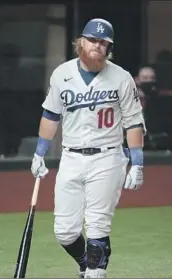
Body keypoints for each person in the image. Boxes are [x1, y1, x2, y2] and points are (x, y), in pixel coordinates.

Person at [30, 18, 146, 278]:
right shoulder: (62, 74)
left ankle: (96, 270)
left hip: (107, 157)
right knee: (65, 231)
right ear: (80, 42)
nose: (98, 45)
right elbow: (51, 116)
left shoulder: (121, 78)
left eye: (104, 42)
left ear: (109, 48)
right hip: (70, 157)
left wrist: (137, 162)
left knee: (96, 225)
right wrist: (39, 153)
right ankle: (86, 264)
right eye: (93, 40)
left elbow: (134, 122)